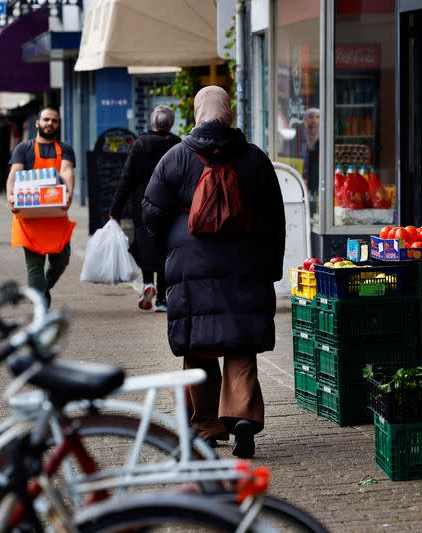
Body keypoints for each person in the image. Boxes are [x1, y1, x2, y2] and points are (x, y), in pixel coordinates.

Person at [142, 86, 286, 458]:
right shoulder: (254, 159)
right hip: (246, 265)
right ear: (230, 114)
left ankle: (206, 427)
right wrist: (272, 266)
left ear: (196, 113)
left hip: (192, 270)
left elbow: (151, 215)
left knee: (199, 346)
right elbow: (274, 219)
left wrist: (166, 259)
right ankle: (240, 417)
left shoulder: (175, 158)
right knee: (240, 346)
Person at [109, 106, 180, 312]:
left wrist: (116, 209)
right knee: (166, 248)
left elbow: (127, 177)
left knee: (143, 243)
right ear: (171, 123)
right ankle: (162, 299)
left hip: (143, 202)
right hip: (169, 203)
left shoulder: (141, 143)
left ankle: (147, 283)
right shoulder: (176, 144)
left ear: (153, 122)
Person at [6, 107, 76, 308]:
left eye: (54, 120)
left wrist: (68, 193)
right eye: (46, 119)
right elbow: (14, 175)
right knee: (34, 267)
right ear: (37, 123)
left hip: (56, 217)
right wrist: (11, 196)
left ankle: (41, 291)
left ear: (58, 124)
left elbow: (67, 171)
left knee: (61, 262)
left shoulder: (65, 149)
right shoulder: (23, 149)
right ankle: (41, 307)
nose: (50, 123)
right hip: (30, 218)